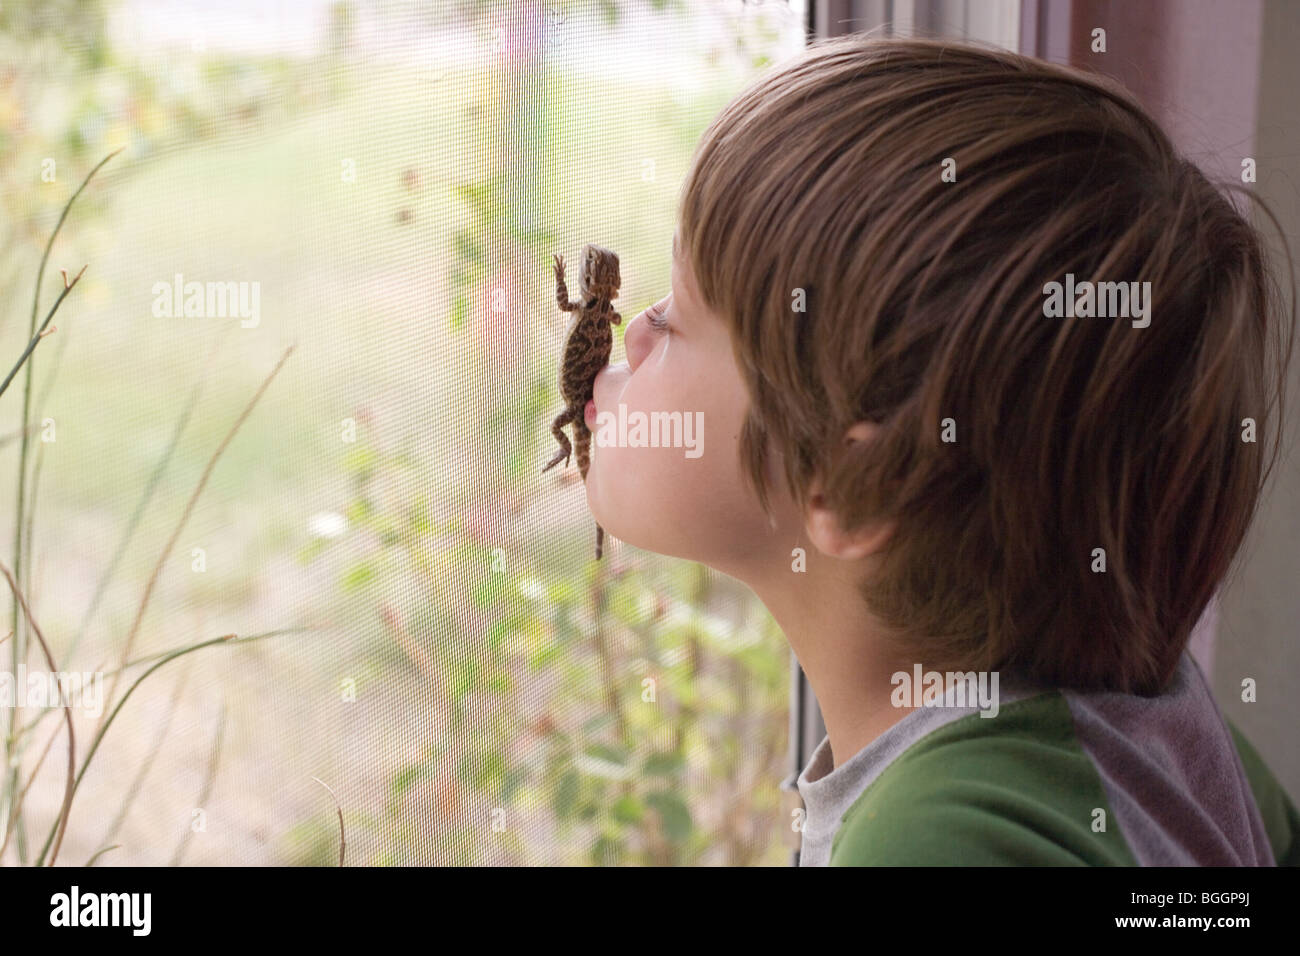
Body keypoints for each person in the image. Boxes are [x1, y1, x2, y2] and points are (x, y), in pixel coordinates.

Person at [580, 35, 1299, 865]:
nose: (632, 333)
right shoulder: (1166, 735)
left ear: (854, 486)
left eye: (675, 318)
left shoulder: (933, 843)